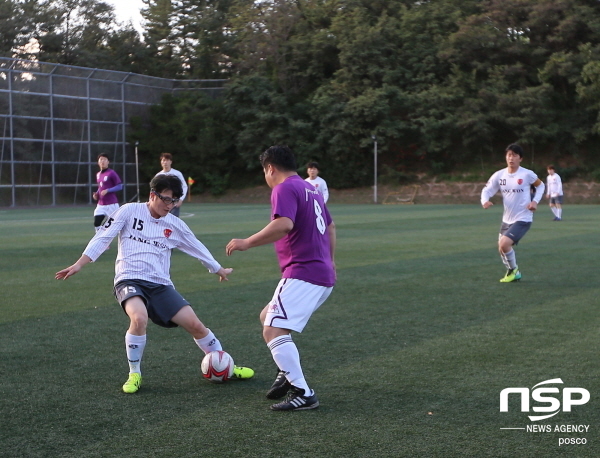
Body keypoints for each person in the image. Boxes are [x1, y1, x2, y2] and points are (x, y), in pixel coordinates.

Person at [56, 174, 254, 393]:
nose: (170, 206)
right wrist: (80, 263)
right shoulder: (129, 211)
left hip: (160, 285)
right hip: (129, 279)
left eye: (175, 201)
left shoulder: (174, 224)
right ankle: (135, 373)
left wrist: (218, 269)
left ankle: (225, 365)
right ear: (153, 195)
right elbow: (103, 236)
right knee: (139, 317)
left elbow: (195, 246)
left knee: (196, 325)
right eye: (167, 200)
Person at [226, 146, 336, 411]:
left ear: (270, 168)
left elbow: (283, 224)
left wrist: (246, 242)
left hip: (303, 273)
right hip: (321, 274)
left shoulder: (284, 188)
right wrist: (330, 262)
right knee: (268, 316)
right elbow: (330, 227)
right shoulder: (311, 189)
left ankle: (303, 391)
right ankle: (286, 373)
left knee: (272, 329)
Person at [481, 144, 545, 283]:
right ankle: (514, 271)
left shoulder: (527, 174)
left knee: (504, 244)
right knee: (502, 248)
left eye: (515, 155)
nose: (511, 158)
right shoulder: (499, 175)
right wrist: (485, 200)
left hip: (523, 217)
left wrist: (535, 202)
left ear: (520, 158)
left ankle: (513, 271)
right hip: (507, 219)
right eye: (509, 155)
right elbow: (487, 190)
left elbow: (541, 185)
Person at [93, 153, 122, 232]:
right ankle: (103, 244)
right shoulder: (98, 174)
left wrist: (108, 190)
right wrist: (97, 194)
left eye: (105, 160)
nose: (102, 161)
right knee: (97, 223)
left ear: (108, 162)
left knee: (118, 226)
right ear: (98, 162)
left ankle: (125, 242)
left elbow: (120, 186)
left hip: (111, 204)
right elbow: (100, 187)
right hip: (101, 205)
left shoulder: (111, 173)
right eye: (101, 159)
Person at [155, 152, 188, 217]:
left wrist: (181, 199)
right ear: (161, 162)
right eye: (163, 160)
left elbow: (184, 187)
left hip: (173, 202)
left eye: (167, 160)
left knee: (173, 222)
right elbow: (155, 190)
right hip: (161, 203)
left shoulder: (177, 174)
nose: (165, 162)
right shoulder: (158, 176)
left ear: (171, 162)